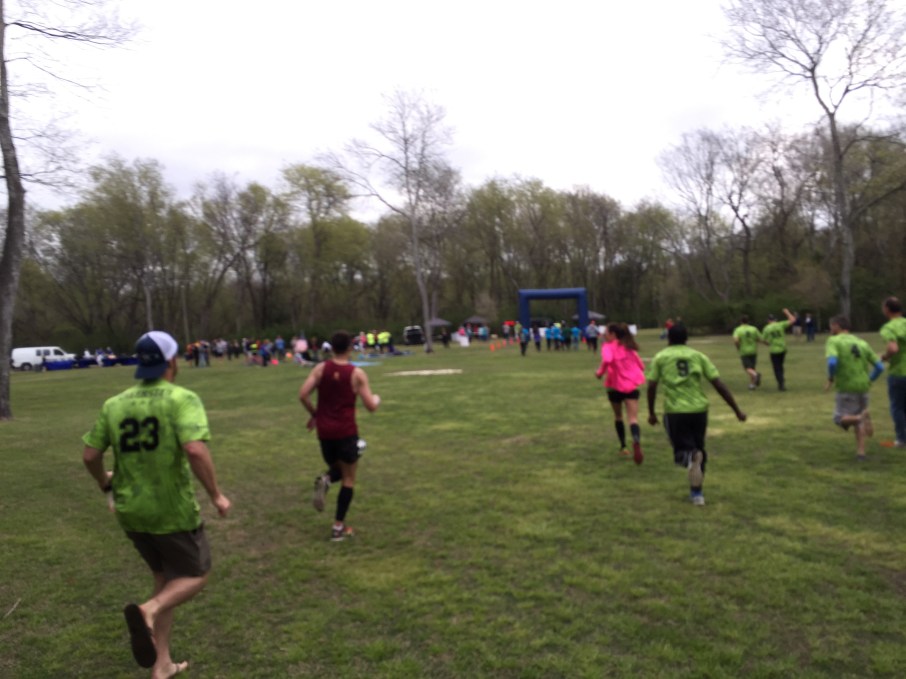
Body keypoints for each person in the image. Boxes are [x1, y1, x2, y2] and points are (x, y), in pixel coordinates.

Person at [81, 331, 231, 675]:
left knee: (165, 577)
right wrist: (216, 495)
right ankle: (148, 610)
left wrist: (105, 483)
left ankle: (162, 665)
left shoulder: (114, 404)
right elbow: (194, 449)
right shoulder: (181, 398)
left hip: (131, 513)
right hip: (171, 511)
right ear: (172, 361)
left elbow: (90, 455)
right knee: (196, 574)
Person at [647, 323, 746, 506]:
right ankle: (697, 494)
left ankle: (691, 459)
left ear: (668, 338)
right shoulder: (698, 356)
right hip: (699, 410)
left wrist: (651, 412)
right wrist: (736, 410)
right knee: (699, 449)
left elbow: (652, 386)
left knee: (683, 452)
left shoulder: (661, 357)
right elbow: (718, 384)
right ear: (687, 339)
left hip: (676, 411)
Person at [299, 331, 381, 541]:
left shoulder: (320, 369)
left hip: (324, 432)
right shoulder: (356, 374)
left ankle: (327, 479)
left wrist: (315, 414)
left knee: (338, 469)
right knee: (349, 478)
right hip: (346, 431)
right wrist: (377, 399)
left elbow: (303, 394)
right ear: (350, 348)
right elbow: (371, 406)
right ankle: (338, 528)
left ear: (332, 348)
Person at [824, 315, 884, 460]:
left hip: (846, 386)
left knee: (839, 418)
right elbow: (880, 367)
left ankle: (860, 417)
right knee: (858, 421)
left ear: (837, 326)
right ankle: (861, 453)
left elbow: (832, 362)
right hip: (863, 386)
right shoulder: (862, 342)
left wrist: (831, 378)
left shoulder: (833, 340)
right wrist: (869, 380)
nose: (830, 329)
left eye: (831, 326)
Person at [596, 322, 646, 464]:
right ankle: (636, 440)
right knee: (633, 418)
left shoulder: (607, 346)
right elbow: (641, 366)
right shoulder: (629, 346)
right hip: (631, 386)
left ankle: (623, 446)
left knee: (618, 416)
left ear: (613, 334)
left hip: (614, 385)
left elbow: (607, 360)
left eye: (606, 332)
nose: (604, 335)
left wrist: (599, 373)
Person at [880, 297, 906, 448]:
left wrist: (885, 357)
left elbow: (893, 348)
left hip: (899, 372)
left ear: (887, 309)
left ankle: (901, 439)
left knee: (897, 407)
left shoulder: (889, 328)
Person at [760, 309, 797, 390]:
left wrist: (768, 344)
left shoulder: (767, 328)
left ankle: (781, 383)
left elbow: (763, 340)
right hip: (782, 349)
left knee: (776, 368)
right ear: (775, 320)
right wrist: (787, 312)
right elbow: (793, 320)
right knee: (780, 366)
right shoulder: (780, 325)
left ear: (768, 320)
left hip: (774, 350)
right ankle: (782, 380)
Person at [732, 315, 762, 390]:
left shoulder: (738, 330)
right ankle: (752, 385)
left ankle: (756, 375)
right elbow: (759, 338)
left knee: (747, 368)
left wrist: (738, 347)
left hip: (744, 351)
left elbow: (736, 340)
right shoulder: (754, 329)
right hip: (753, 350)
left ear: (740, 321)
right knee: (752, 368)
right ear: (748, 321)